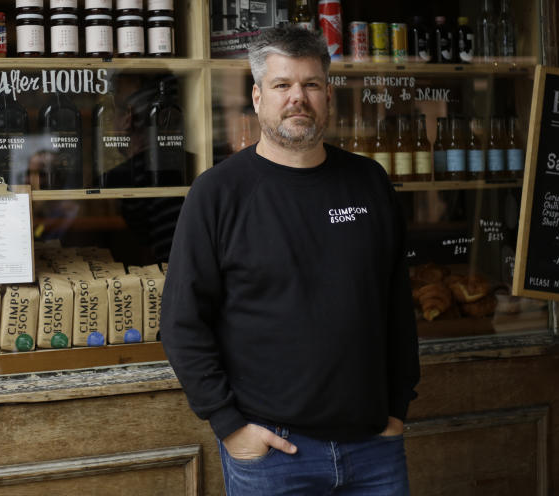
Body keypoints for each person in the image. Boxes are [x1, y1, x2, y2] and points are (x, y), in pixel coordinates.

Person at [160, 25, 421, 495]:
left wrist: (398, 407)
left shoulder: (368, 182)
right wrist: (229, 425)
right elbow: (182, 321)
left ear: (328, 96)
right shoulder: (218, 194)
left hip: (374, 450)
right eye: (282, 85)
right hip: (272, 455)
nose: (297, 98)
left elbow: (397, 305)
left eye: (311, 85)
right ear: (258, 97)